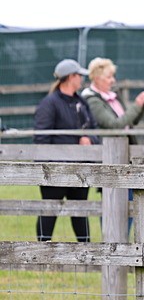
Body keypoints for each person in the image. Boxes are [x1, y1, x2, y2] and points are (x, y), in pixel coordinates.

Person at [33, 59, 99, 242]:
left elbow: (94, 130)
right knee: (49, 211)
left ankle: (86, 252)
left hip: (80, 170)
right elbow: (42, 139)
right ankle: (41, 251)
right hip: (55, 171)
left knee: (80, 212)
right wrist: (49, 169)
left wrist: (89, 140)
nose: (81, 79)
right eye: (79, 75)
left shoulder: (81, 103)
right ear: (71, 77)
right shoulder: (49, 104)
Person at [80, 57, 144, 143]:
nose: (113, 80)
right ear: (97, 79)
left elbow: (131, 121)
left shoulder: (114, 96)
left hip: (125, 146)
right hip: (109, 150)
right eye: (109, 77)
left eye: (113, 76)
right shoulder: (92, 101)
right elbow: (115, 125)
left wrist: (142, 104)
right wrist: (137, 105)